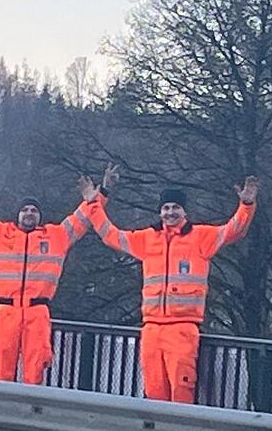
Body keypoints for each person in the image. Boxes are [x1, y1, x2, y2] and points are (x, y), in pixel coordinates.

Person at [81, 164, 258, 403]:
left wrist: (246, 205)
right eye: (165, 208)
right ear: (159, 212)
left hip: (183, 328)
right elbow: (110, 234)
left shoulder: (199, 237)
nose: (170, 212)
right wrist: (96, 202)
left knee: (181, 390)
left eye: (175, 207)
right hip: (151, 327)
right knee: (154, 392)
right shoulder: (148, 238)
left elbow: (233, 231)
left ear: (184, 212)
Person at [0, 163, 93, 384]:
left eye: (33, 210)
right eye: (25, 210)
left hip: (38, 312)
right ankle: (0, 414)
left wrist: (95, 199)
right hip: (6, 310)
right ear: (18, 214)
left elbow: (81, 220)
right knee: (1, 368)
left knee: (36, 369)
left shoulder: (55, 237)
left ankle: (30, 415)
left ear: (39, 216)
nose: (29, 214)